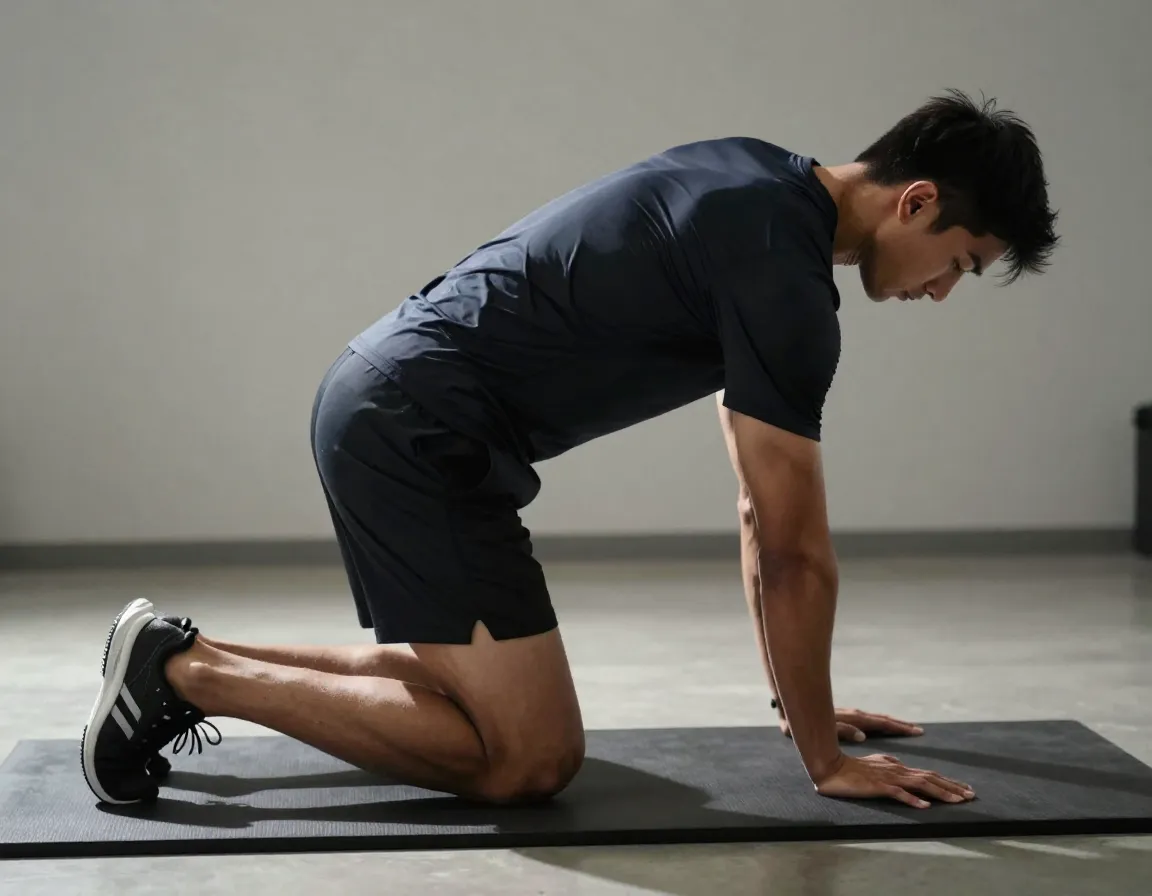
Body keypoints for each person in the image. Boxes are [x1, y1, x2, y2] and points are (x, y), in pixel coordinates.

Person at [81, 89, 1058, 810]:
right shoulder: (786, 284)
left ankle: (172, 650)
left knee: (469, 688)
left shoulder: (755, 176)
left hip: (388, 394)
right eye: (962, 264)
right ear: (917, 202)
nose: (942, 291)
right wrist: (824, 758)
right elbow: (791, 548)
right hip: (419, 425)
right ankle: (187, 677)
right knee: (528, 759)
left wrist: (797, 701)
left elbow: (760, 516)